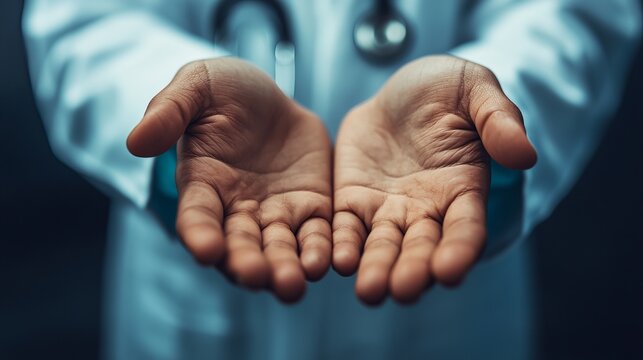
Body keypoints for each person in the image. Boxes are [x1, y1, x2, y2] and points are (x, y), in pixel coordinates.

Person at [22, 1, 640, 359]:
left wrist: (499, 88)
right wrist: (170, 90)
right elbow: (83, 16)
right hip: (192, 299)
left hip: (451, 277)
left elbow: (571, 12)